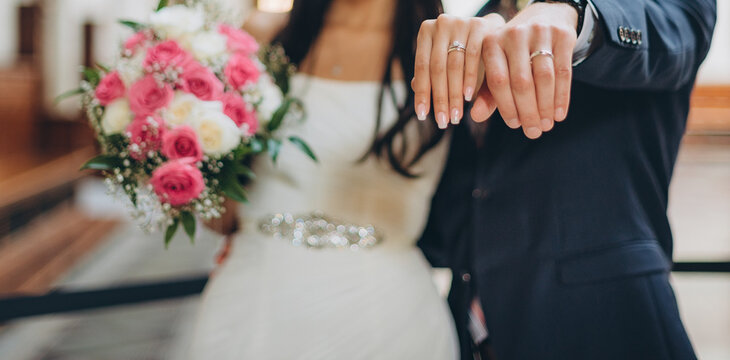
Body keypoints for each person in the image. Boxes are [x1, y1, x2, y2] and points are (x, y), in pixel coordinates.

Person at [414, 0, 717, 359]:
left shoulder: (617, 9)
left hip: (607, 329)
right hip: (469, 335)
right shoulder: (480, 24)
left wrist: (574, 14)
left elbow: (673, 39)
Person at [188, 0, 459, 359]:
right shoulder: (263, 36)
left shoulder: (446, 50)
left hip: (385, 312)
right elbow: (219, 217)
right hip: (254, 297)